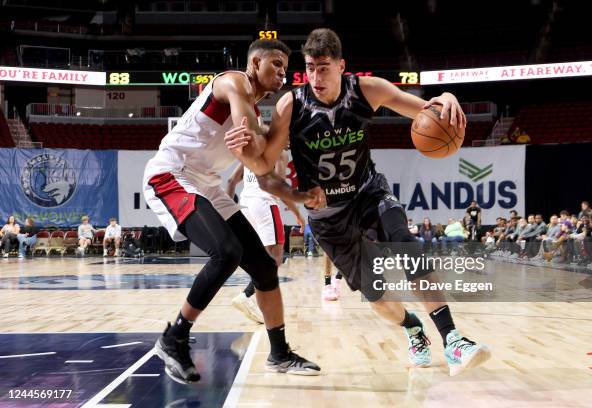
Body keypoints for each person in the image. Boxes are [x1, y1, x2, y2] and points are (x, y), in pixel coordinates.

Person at [225, 28, 489, 376]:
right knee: (376, 295)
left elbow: (426, 110)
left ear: (341, 66)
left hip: (368, 192)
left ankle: (453, 340)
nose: (316, 77)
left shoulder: (367, 90)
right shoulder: (292, 105)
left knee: (407, 246)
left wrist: (446, 97)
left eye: (323, 68)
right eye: (310, 68)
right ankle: (413, 328)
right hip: (328, 216)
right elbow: (264, 172)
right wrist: (255, 161)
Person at [142, 39, 320, 384]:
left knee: (266, 268)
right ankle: (173, 338)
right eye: (275, 64)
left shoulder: (257, 114)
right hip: (172, 173)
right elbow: (257, 154)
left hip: (205, 181)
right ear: (254, 63)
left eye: (286, 66)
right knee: (226, 252)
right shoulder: (233, 83)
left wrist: (294, 190)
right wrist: (266, 144)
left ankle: (280, 353)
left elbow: (263, 167)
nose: (282, 71)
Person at [226, 151, 305, 323]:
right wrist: (297, 213)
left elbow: (231, 181)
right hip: (264, 204)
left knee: (262, 259)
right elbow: (281, 188)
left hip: (246, 205)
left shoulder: (250, 151)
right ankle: (246, 296)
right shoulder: (281, 154)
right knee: (274, 259)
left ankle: (251, 298)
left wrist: (228, 212)